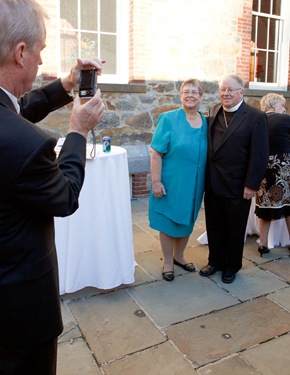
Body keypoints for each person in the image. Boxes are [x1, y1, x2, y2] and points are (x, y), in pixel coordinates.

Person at [0, 1, 105, 374]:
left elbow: (17, 109)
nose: (42, 63)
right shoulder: (27, 145)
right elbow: (64, 196)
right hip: (18, 310)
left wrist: (67, 85)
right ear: (21, 52)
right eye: (41, 52)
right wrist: (78, 130)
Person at [199, 74, 269, 284]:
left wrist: (251, 184)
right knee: (214, 224)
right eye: (223, 89)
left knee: (234, 227)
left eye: (230, 89)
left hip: (238, 184)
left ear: (241, 92)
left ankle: (231, 266)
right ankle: (215, 261)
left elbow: (260, 154)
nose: (226, 93)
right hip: (213, 181)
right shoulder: (213, 111)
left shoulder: (255, 116)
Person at [149, 79, 208, 281]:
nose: (190, 95)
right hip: (172, 181)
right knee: (168, 220)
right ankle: (167, 261)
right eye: (186, 92)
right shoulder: (168, 119)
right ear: (180, 95)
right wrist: (156, 181)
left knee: (188, 219)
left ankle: (179, 256)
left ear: (201, 96)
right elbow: (156, 152)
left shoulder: (206, 121)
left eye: (194, 92)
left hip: (195, 183)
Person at [255, 93, 290, 256]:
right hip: (284, 167)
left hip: (262, 168)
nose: (284, 110)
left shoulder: (256, 120)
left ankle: (263, 244)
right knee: (289, 206)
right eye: (282, 106)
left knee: (264, 206)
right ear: (274, 105)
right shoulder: (286, 119)